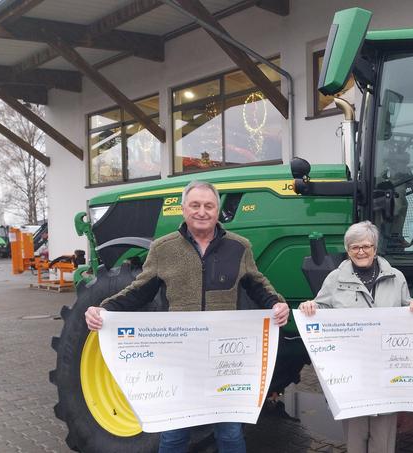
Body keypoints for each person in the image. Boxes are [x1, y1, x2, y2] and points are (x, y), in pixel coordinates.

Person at [84, 180, 289, 453]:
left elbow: (256, 283)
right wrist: (104, 309)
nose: (202, 212)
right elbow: (140, 291)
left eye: (208, 206)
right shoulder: (163, 249)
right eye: (195, 205)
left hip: (223, 360)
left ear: (217, 211)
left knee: (229, 435)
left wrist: (276, 303)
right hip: (179, 359)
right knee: (173, 436)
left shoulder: (239, 247)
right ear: (183, 209)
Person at [298, 220, 413, 453]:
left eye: (366, 246)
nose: (361, 251)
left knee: (383, 440)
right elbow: (321, 309)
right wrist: (310, 308)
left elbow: (406, 309)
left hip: (386, 372)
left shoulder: (396, 277)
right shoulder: (334, 279)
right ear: (348, 250)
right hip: (352, 374)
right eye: (355, 247)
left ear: (375, 248)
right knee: (356, 439)